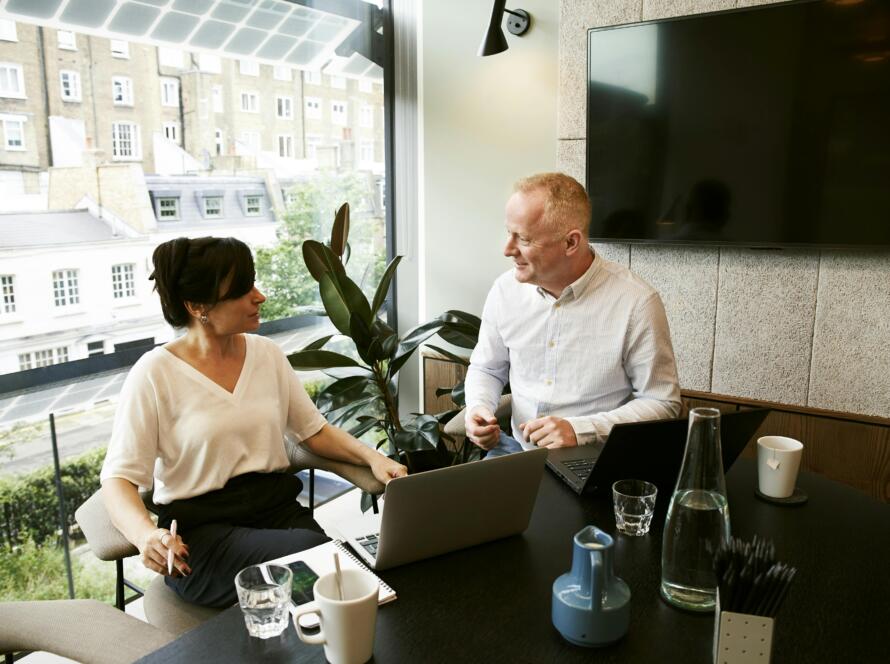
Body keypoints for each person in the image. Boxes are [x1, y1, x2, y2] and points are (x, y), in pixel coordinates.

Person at [100, 236, 406, 608]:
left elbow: (314, 432)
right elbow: (118, 479)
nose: (258, 296)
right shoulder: (154, 373)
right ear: (198, 306)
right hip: (205, 539)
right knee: (327, 569)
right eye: (243, 290)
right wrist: (145, 534)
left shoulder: (266, 355)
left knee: (348, 586)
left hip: (280, 515)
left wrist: (373, 458)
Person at [464, 173, 681, 456]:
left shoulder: (637, 302)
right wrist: (479, 407)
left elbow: (662, 402)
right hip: (514, 451)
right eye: (509, 233)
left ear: (571, 243)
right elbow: (487, 368)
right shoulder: (504, 291)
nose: (507, 250)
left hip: (595, 457)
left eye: (524, 239)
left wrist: (580, 430)